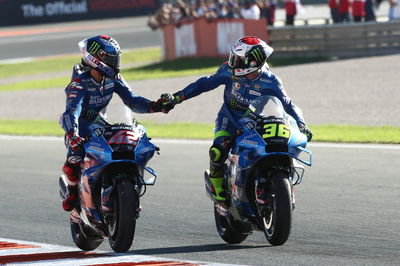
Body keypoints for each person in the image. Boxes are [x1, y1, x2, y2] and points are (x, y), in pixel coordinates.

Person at [162, 36, 312, 204]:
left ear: (253, 62)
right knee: (217, 151)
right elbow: (203, 84)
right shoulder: (228, 71)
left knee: (278, 145)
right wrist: (177, 98)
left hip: (258, 122)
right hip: (229, 119)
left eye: (239, 60)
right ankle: (218, 191)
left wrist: (301, 124)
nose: (233, 63)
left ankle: (280, 182)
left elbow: (288, 104)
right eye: (233, 58)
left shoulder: (271, 81)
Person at [59, 35, 173, 212]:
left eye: (116, 58)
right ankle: (72, 192)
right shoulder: (79, 84)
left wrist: (154, 106)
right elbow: (71, 112)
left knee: (128, 144)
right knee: (74, 158)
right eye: (111, 58)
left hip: (100, 123)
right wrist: (72, 134)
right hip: (79, 127)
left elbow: (132, 100)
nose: (115, 62)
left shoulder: (114, 78)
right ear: (95, 59)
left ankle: (130, 186)